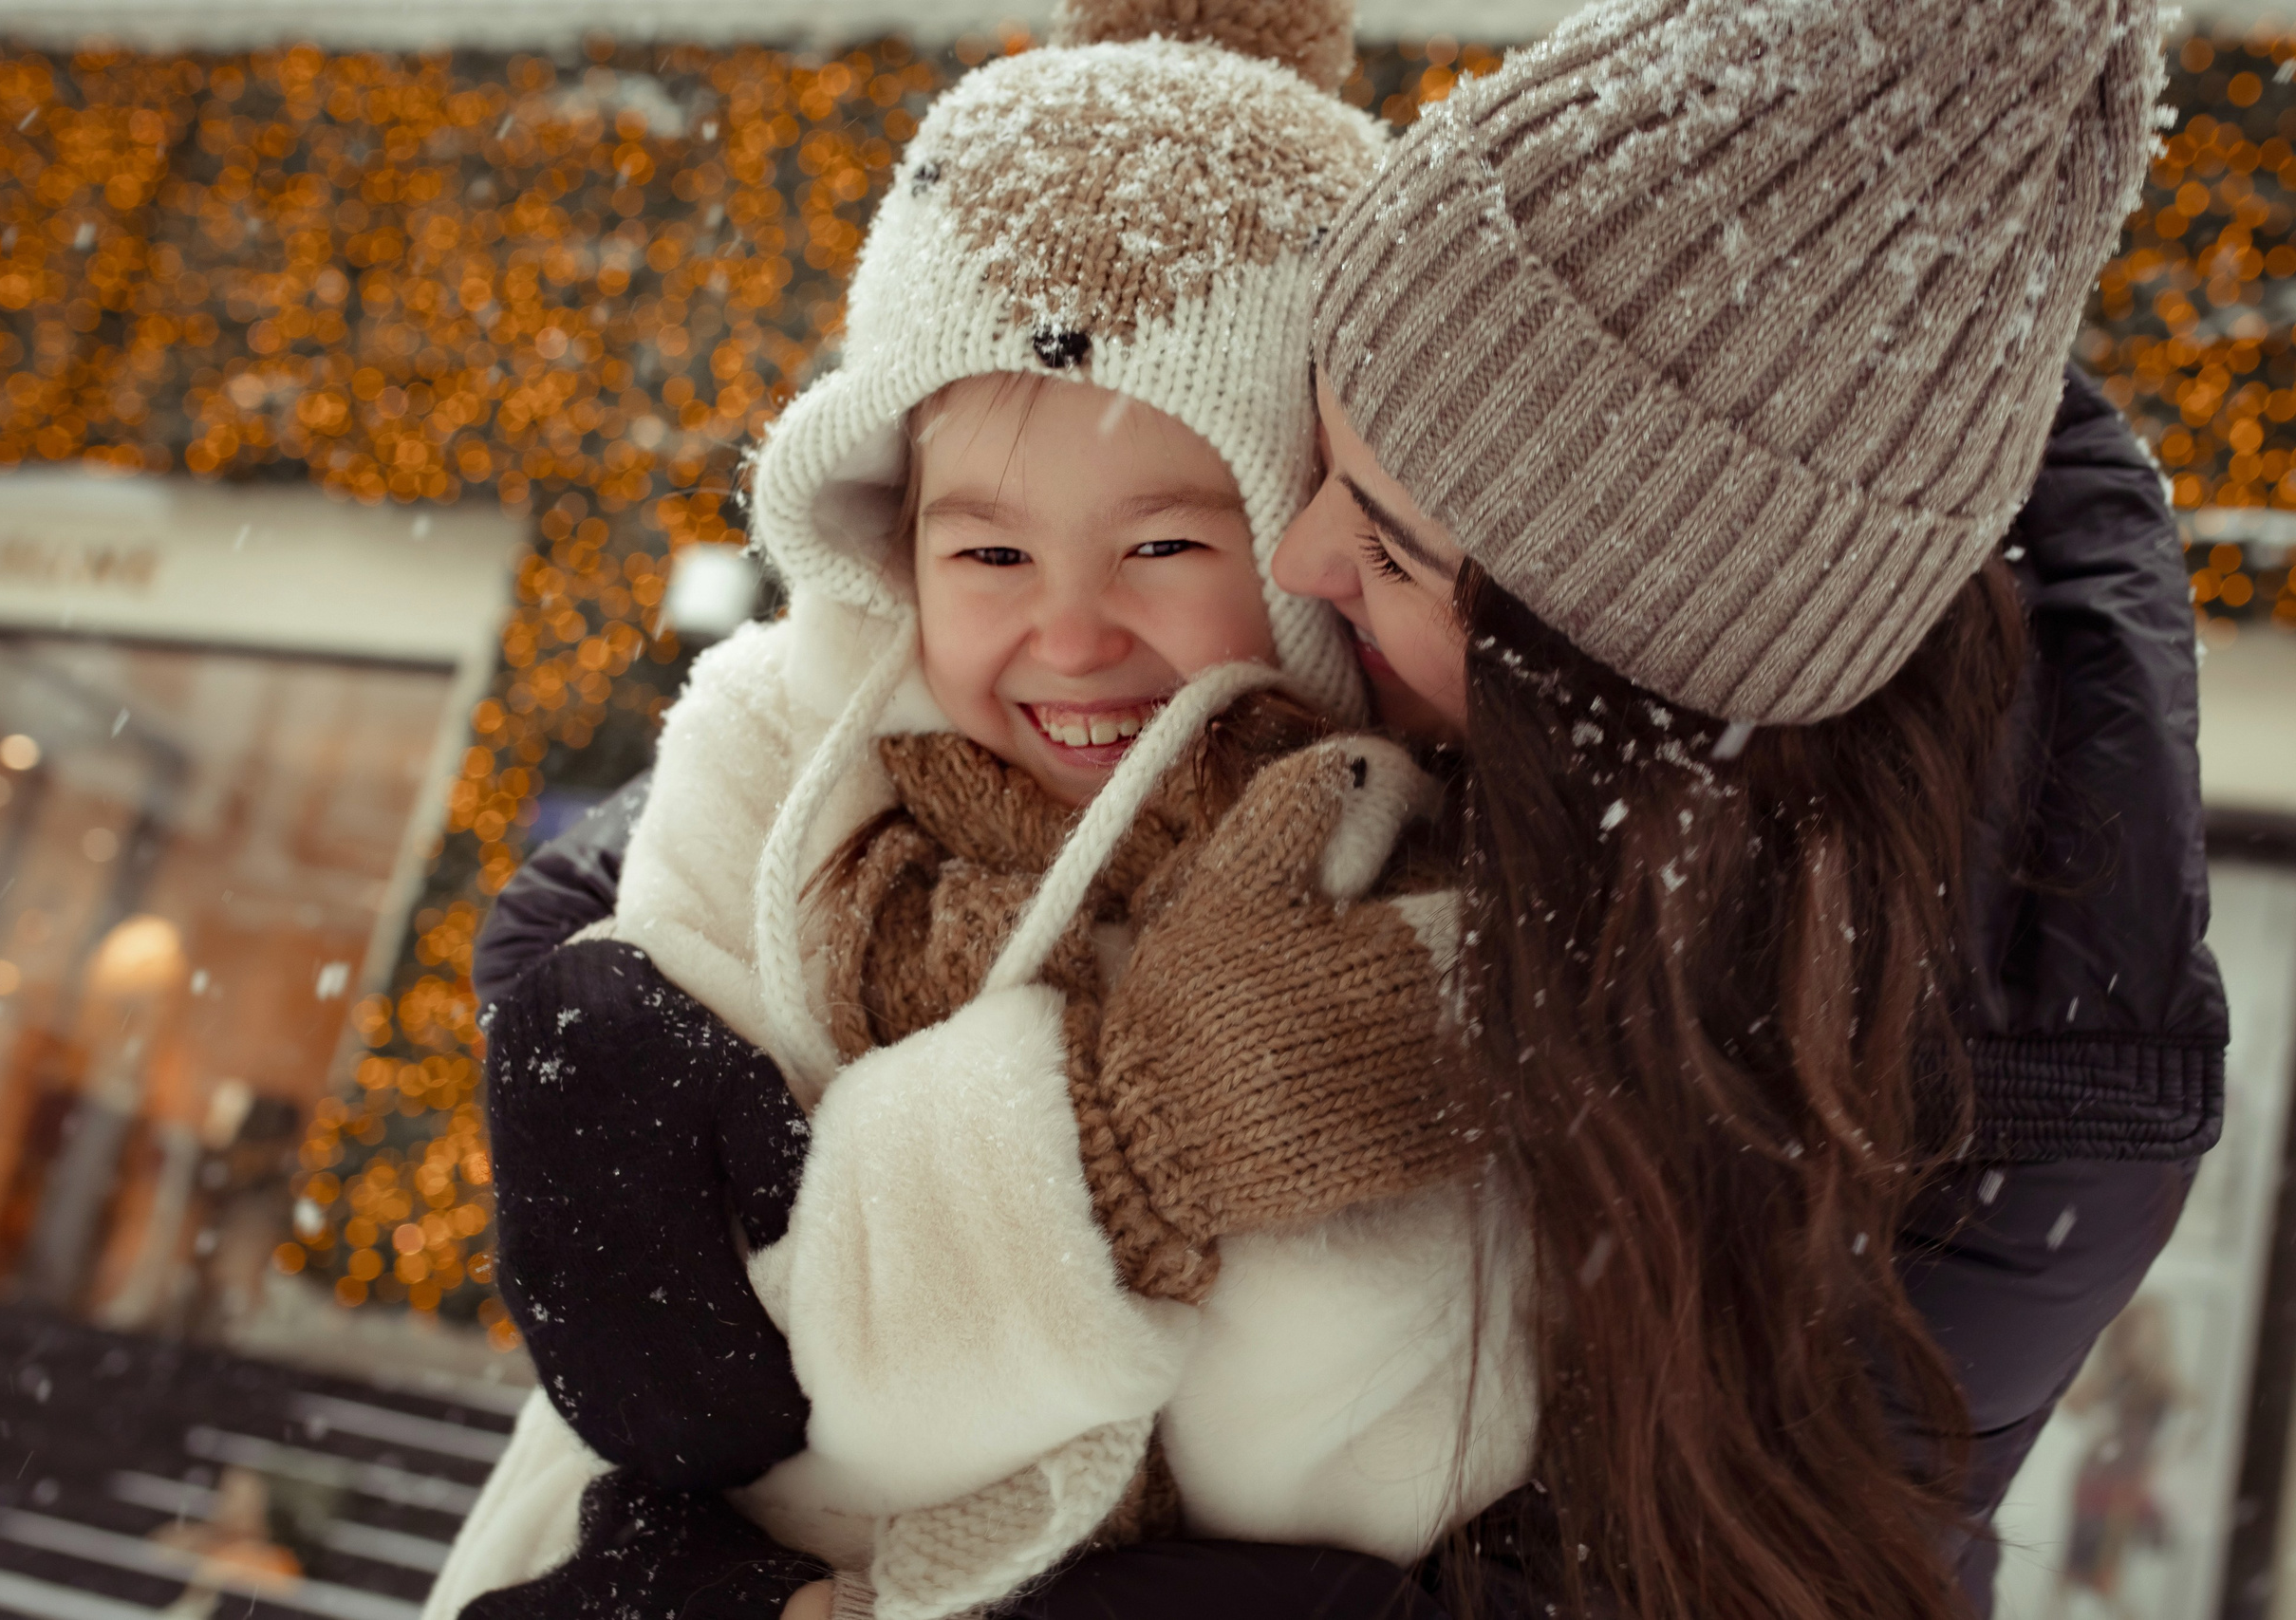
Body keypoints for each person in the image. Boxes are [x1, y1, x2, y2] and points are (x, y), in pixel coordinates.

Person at [448, 0, 2224, 1615]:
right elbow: (730, 806)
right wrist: (589, 1039)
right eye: (1317, 462)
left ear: (1591, 686)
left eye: (1373, 539)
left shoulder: (1993, 1099)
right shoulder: (1550, 515)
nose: (1298, 554)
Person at [429, 8, 1538, 1619]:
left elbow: (1436, 1398)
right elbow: (704, 1373)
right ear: (893, 544)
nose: (1072, 635)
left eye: (1166, 548)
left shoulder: (1405, 851)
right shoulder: (797, 769)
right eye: (990, 556)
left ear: (1311, 543)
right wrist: (1117, 1148)